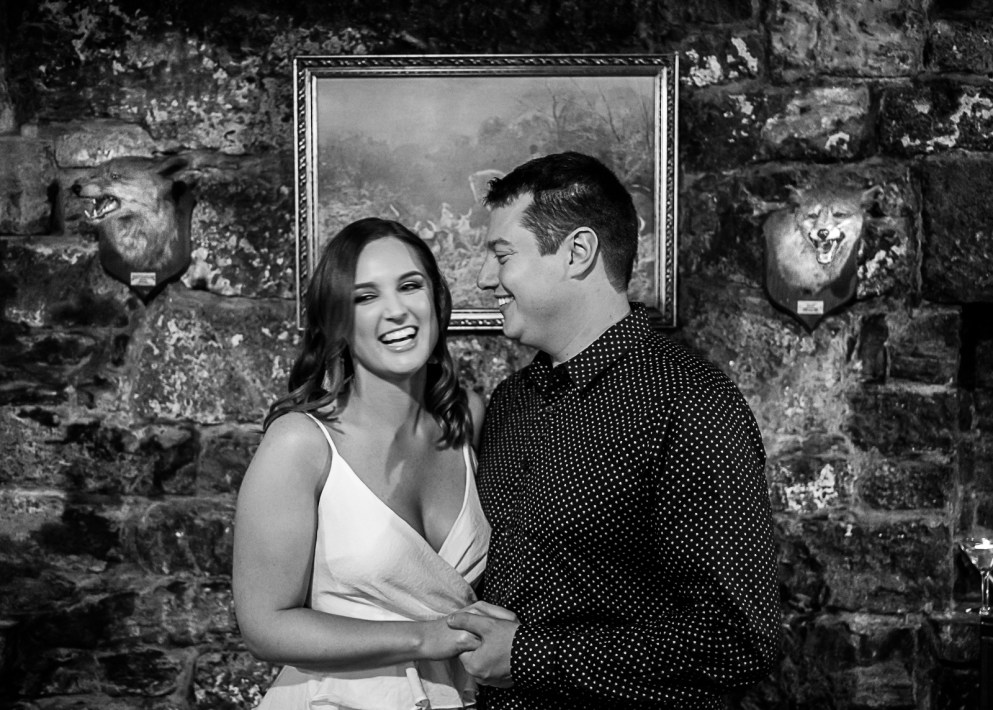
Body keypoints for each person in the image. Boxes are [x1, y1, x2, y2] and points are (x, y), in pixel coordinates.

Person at [446, 152, 780, 709]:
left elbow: (735, 639)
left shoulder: (689, 404)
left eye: (501, 256)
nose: (483, 279)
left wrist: (528, 655)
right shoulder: (511, 402)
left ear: (577, 253)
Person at [233, 217, 493, 709]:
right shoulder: (301, 443)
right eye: (366, 297)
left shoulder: (466, 418)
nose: (396, 310)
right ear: (338, 323)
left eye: (410, 286)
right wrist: (424, 637)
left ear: (436, 300)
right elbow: (264, 627)